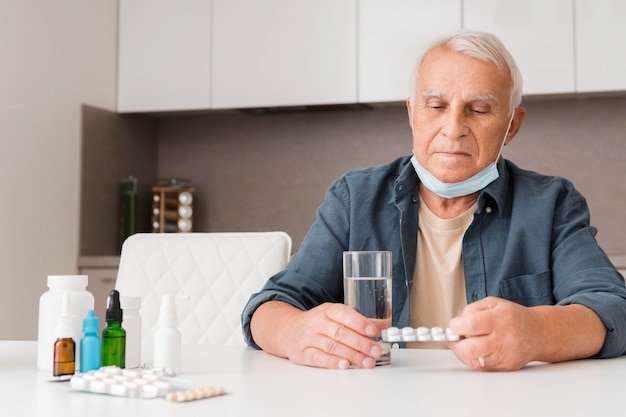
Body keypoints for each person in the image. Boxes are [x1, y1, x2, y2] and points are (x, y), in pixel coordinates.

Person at [241, 30, 626, 371]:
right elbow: (269, 307)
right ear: (413, 113)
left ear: (513, 125)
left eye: (478, 109)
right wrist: (296, 332)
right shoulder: (355, 199)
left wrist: (537, 332)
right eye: (437, 106)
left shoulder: (552, 204)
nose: (454, 128)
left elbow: (613, 308)